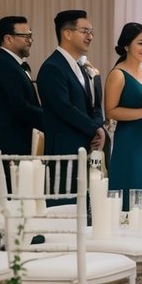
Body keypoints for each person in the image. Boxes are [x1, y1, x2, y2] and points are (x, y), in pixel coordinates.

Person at [37, 10, 104, 183]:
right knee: (64, 199)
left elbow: (93, 105)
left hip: (85, 148)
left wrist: (98, 128)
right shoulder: (52, 67)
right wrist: (93, 128)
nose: (90, 36)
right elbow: (63, 107)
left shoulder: (82, 68)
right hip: (63, 151)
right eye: (85, 31)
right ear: (67, 33)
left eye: (91, 32)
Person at [0, 16, 43, 186]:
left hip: (12, 141)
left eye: (31, 35)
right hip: (8, 144)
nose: (30, 40)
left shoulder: (10, 63)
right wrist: (51, 119)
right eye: (25, 36)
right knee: (9, 194)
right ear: (8, 39)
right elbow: (20, 106)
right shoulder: (3, 64)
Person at [104, 23, 142, 209]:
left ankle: (141, 223)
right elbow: (110, 111)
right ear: (127, 46)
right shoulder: (118, 74)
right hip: (127, 138)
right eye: (141, 43)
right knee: (130, 181)